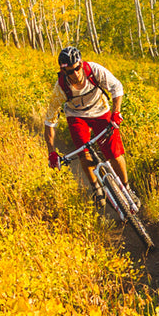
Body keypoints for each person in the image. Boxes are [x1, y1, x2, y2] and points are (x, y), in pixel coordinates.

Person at [43, 46, 137, 204]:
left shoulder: (94, 70)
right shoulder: (60, 88)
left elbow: (116, 87)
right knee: (83, 152)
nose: (76, 74)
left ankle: (126, 188)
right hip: (76, 115)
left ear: (81, 63)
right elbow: (49, 121)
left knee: (114, 152)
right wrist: (51, 152)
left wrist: (116, 112)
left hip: (101, 111)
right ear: (64, 72)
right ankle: (96, 188)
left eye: (77, 68)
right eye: (70, 71)